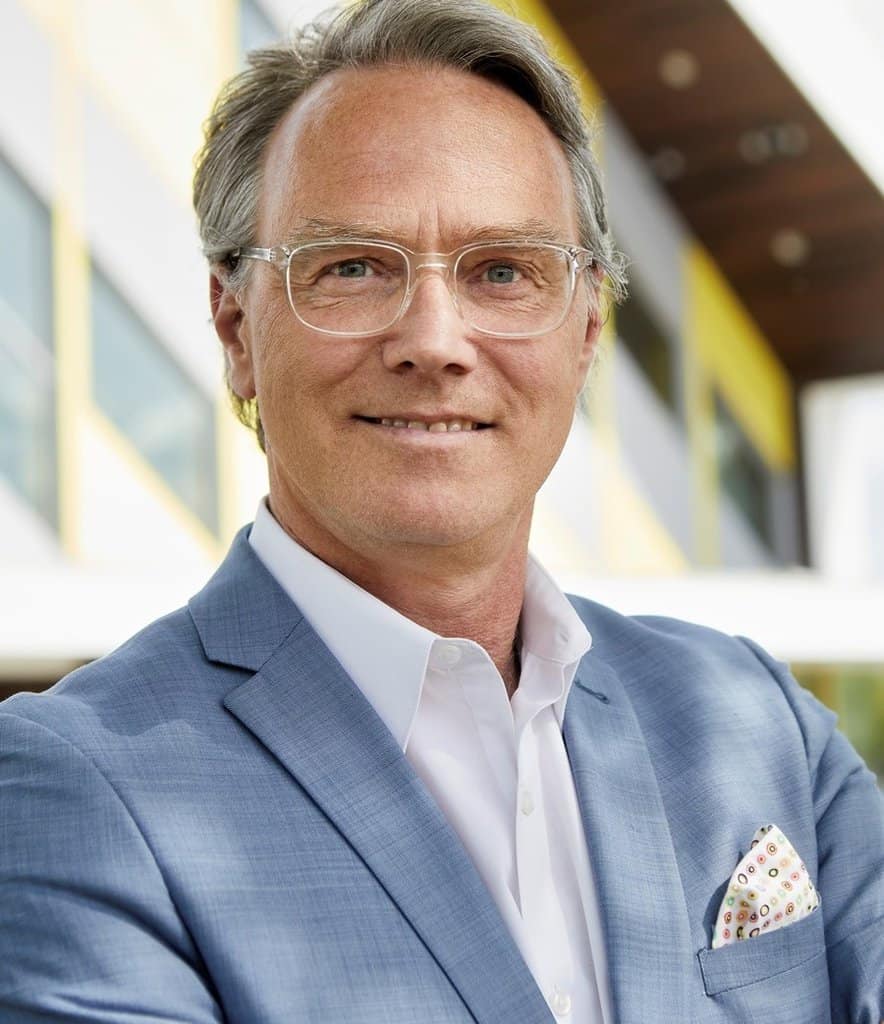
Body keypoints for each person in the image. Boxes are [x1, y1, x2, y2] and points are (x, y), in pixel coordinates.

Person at [0, 1, 881, 1020]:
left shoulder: (753, 721)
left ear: (587, 333)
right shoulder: (76, 788)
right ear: (236, 328)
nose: (433, 340)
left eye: (502, 271)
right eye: (352, 267)